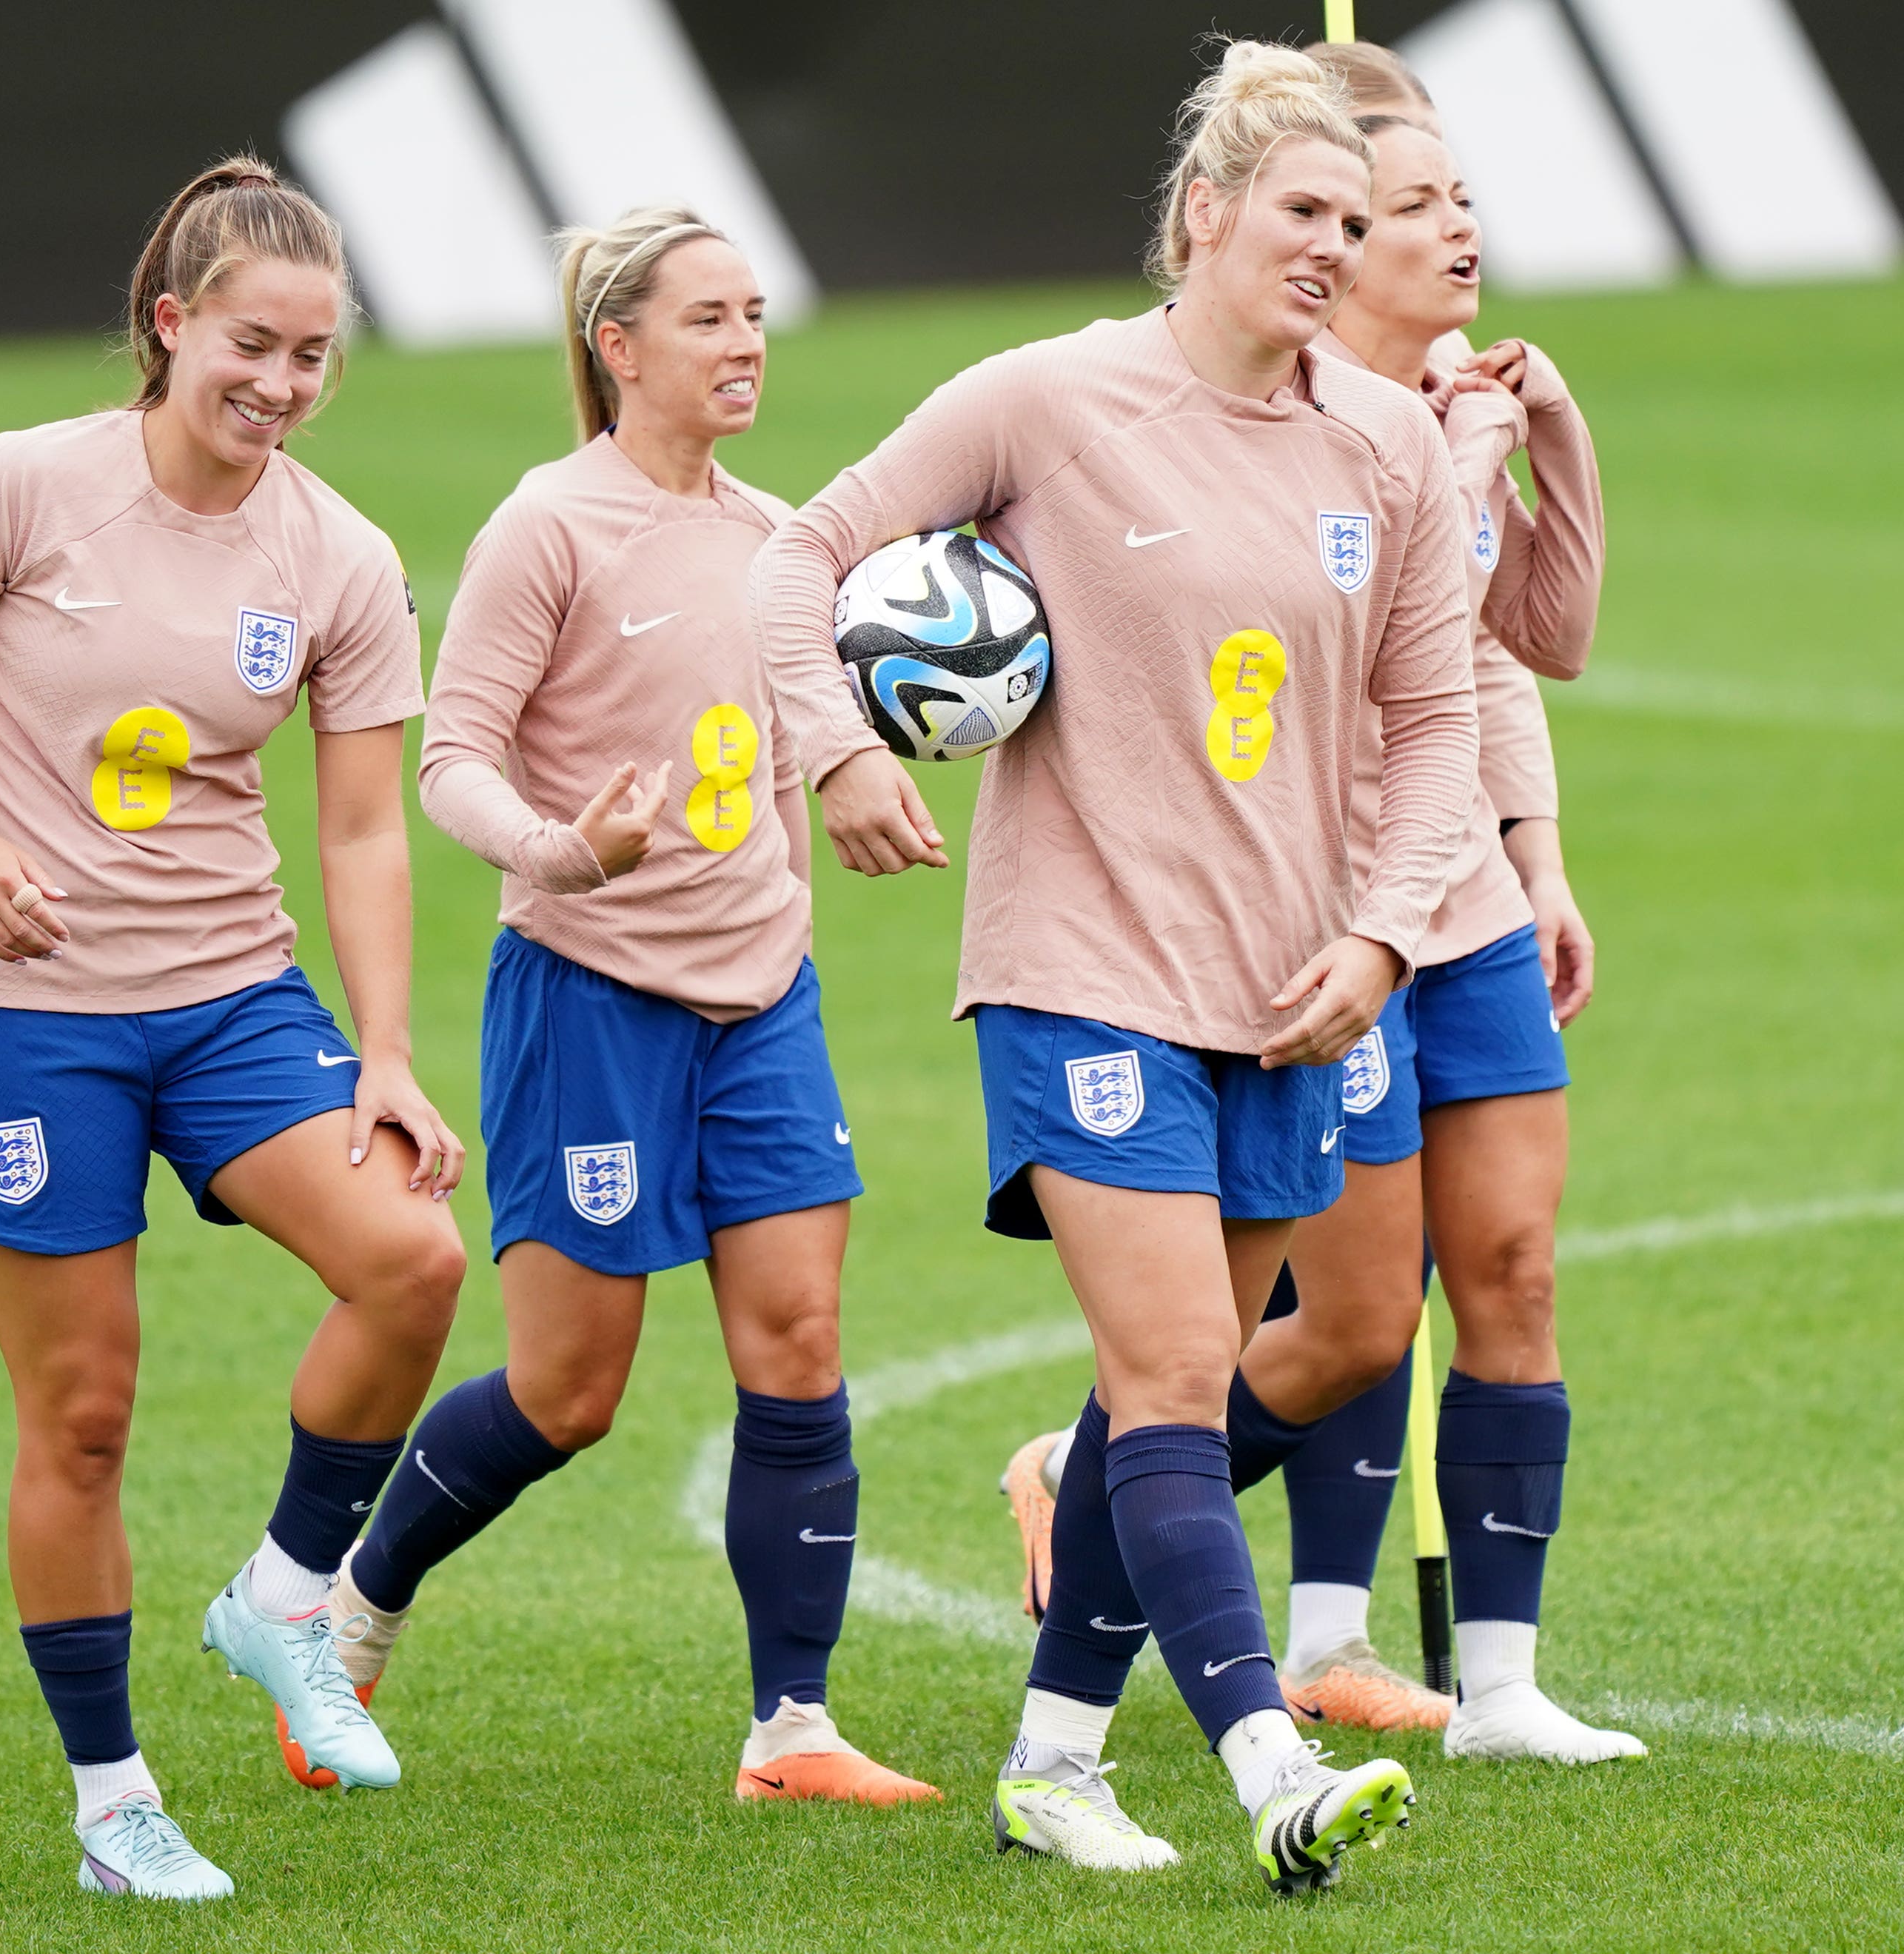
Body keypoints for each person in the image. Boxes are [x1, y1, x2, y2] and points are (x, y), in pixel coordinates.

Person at [751, 41, 1478, 1893]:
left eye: (1359, 217)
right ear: (1204, 215)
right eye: (1303, 213)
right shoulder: (1047, 398)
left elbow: (1434, 718)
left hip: (1291, 990)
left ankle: (1053, 1761)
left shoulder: (1381, 444)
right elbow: (802, 559)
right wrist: (836, 751)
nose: (1335, 245)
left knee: (1177, 1378)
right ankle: (1263, 1770)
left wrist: (1385, 937)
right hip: (1081, 966)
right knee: (1171, 1372)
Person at [0, 158, 469, 1901]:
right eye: (251, 347)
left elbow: (358, 829)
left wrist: (390, 1050)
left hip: (231, 1001)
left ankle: (281, 1601)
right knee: (88, 1419)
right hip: (27, 1016)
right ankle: (114, 1801)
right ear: (171, 324)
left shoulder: (337, 553)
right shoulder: (25, 486)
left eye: (315, 358)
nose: (278, 388)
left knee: (412, 1260)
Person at [1008, 42, 1633, 1761]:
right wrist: (1443, 457)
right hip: (1313, 906)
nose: (1450, 231)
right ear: (1317, 233)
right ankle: (1101, 1483)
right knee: (1351, 1324)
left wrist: (1541, 847)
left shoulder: (1468, 402)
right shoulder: (1310, 428)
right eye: (1406, 204)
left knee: (1508, 1264)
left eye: (1453, 200)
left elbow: (1527, 655)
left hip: (1469, 902)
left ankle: (1500, 1687)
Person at [323, 206, 936, 1808]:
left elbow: (806, 721)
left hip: (762, 999)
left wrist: (857, 799)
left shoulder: (781, 536)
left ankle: (790, 1731)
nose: (745, 346)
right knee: (570, 1391)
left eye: (755, 318)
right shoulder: (550, 528)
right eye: (710, 319)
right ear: (618, 346)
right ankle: (353, 1603)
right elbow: (448, 758)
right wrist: (563, 852)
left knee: (800, 1341)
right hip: (588, 996)